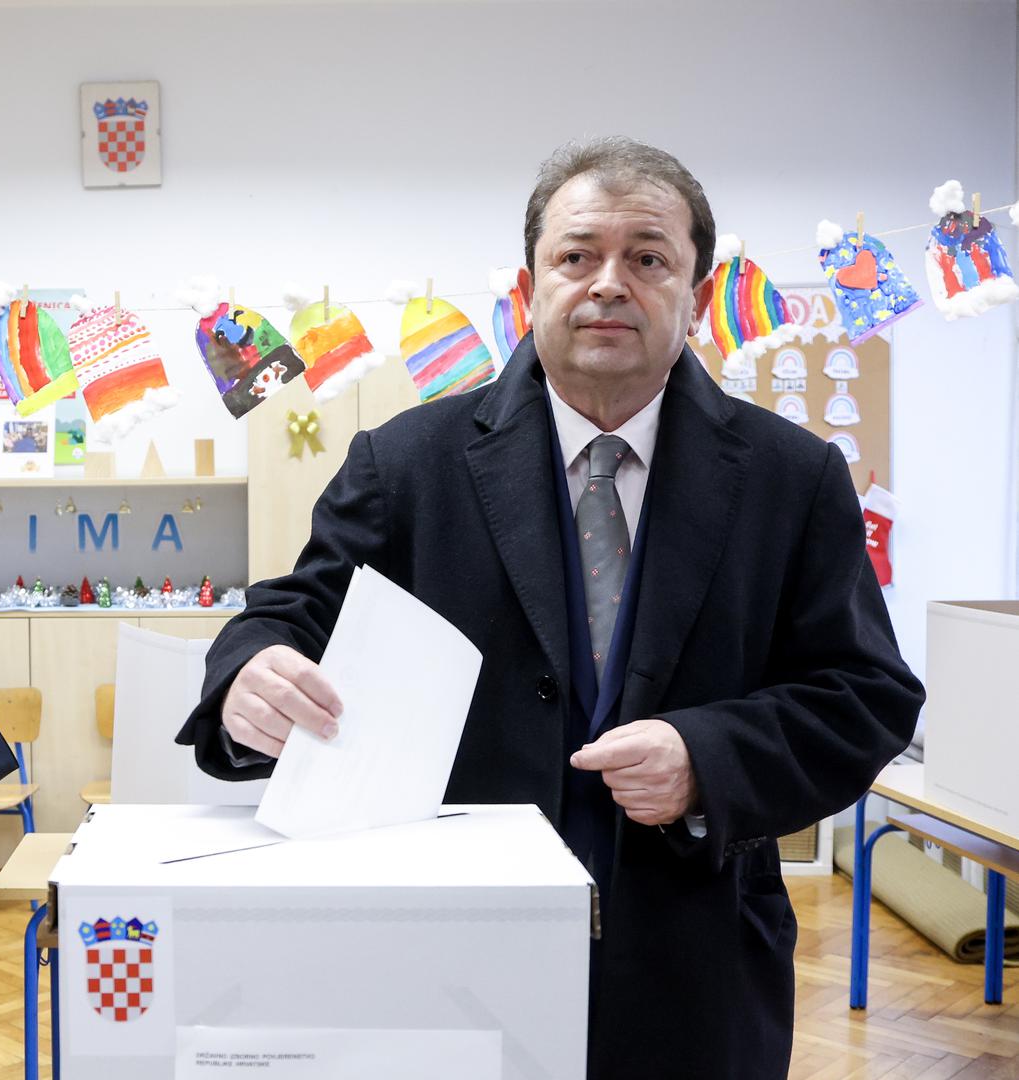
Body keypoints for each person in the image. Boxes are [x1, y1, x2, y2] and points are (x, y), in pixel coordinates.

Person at [177, 138, 924, 1080]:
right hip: (445, 954)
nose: (607, 284)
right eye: (576, 256)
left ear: (696, 294)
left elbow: (864, 696)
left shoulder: (792, 476)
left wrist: (708, 758)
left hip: (694, 960)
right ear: (529, 290)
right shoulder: (407, 461)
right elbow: (289, 614)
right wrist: (248, 673)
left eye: (647, 258)